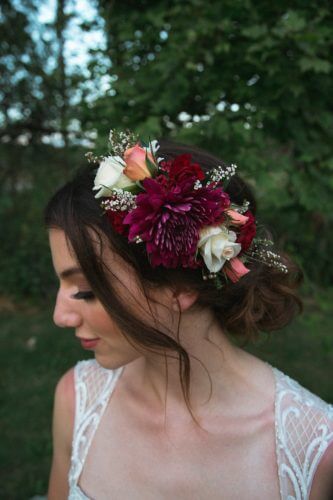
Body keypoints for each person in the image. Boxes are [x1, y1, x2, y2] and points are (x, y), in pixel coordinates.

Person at [45, 131, 333, 500]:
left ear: (180, 288)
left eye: (86, 290)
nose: (60, 316)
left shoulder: (314, 452)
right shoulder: (76, 399)